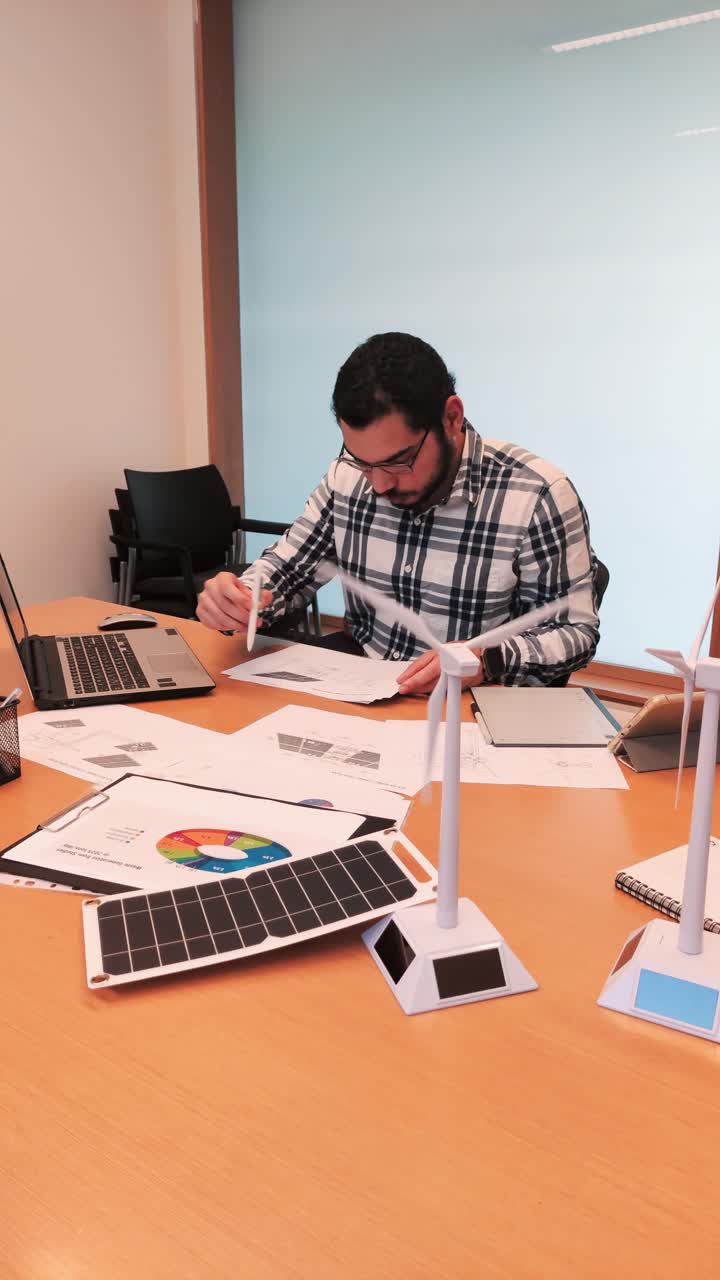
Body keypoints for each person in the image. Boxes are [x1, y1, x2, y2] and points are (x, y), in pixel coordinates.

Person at [197, 332, 600, 693]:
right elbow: (287, 570)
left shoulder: (535, 494)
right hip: (363, 685)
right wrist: (239, 598)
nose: (378, 484)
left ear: (451, 418)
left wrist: (483, 661)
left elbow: (574, 631)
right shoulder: (347, 477)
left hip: (472, 702)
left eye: (397, 462)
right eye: (362, 461)